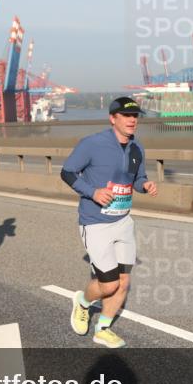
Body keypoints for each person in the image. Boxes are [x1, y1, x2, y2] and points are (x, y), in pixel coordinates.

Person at [60, 96, 158, 348]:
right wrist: (93, 192)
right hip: (95, 222)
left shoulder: (137, 148)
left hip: (123, 221)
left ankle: (102, 328)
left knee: (124, 281)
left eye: (135, 115)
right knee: (109, 283)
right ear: (113, 118)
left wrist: (145, 185)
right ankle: (82, 301)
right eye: (126, 116)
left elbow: (137, 178)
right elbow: (67, 172)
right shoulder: (92, 144)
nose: (132, 120)